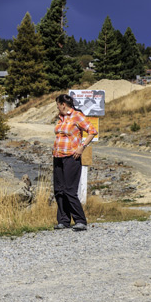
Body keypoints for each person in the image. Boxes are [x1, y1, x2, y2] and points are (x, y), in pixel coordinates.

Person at [52, 93, 97, 231]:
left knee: (69, 190)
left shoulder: (77, 116)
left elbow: (92, 131)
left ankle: (80, 220)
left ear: (63, 105)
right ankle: (64, 220)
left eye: (58, 105)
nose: (57, 107)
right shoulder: (61, 118)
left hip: (72, 157)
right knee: (59, 190)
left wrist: (82, 147)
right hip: (58, 157)